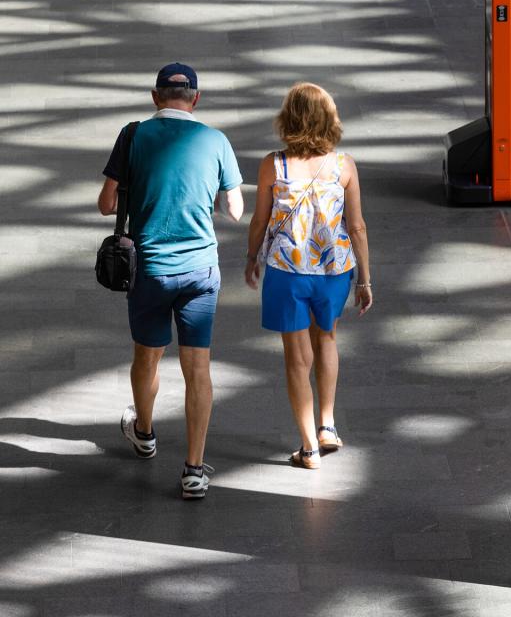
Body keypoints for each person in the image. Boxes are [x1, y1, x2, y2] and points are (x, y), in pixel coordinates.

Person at [98, 62, 244, 499]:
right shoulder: (216, 140)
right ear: (196, 99)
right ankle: (194, 470)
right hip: (201, 271)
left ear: (155, 96)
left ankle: (144, 434)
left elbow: (107, 204)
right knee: (197, 368)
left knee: (147, 356)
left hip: (151, 271)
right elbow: (234, 210)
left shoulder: (134, 135)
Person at [244, 82, 372, 470]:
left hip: (288, 272)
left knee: (296, 357)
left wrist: (252, 257)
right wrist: (365, 279)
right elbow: (358, 227)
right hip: (334, 271)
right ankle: (327, 425)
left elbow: (260, 219)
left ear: (289, 119)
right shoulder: (343, 166)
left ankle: (308, 447)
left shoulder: (274, 164)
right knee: (328, 339)